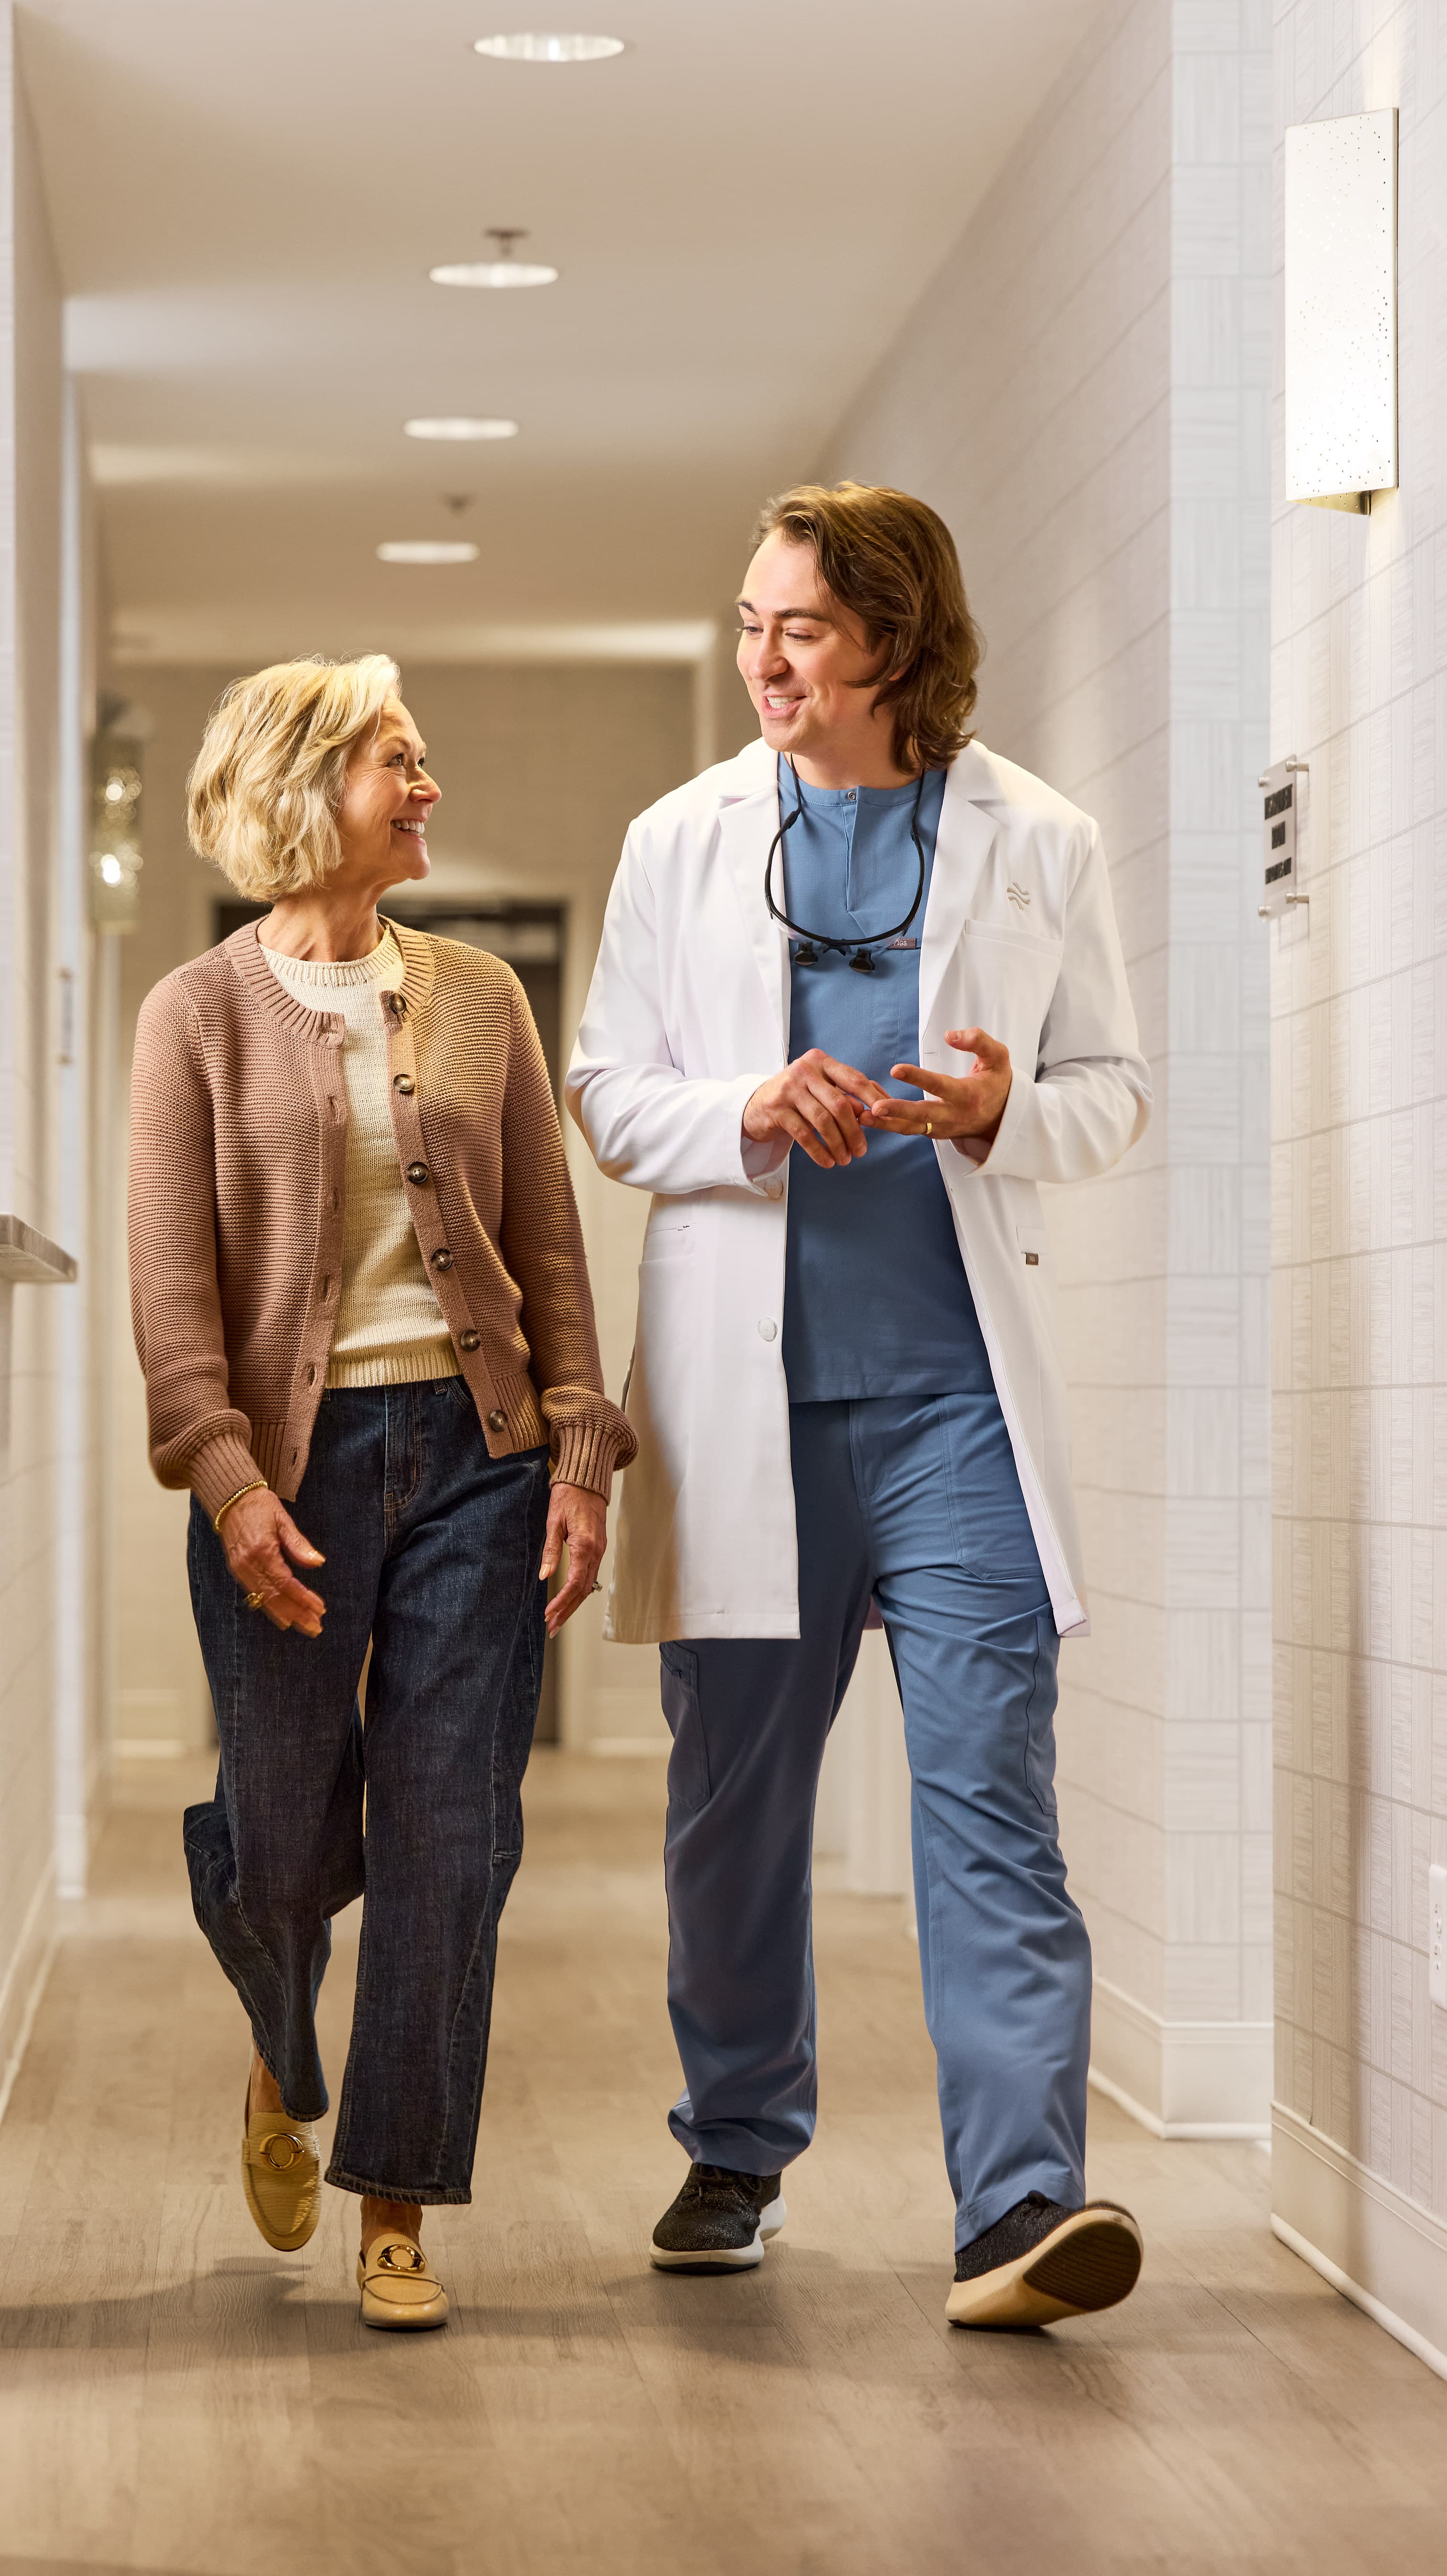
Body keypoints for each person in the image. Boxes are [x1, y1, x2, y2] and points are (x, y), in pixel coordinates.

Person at [568, 485, 1152, 2329]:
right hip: (753, 1401)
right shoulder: (681, 839)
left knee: (991, 1793)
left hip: (957, 1403)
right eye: (751, 625)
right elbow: (606, 1089)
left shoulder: (1038, 839)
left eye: (799, 630)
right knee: (736, 1804)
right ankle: (738, 2143)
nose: (764, 662)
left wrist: (1000, 1112)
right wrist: (746, 1110)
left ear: (894, 638)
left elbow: (1115, 1085)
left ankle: (1021, 2207)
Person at [129, 654, 634, 2332]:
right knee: (277, 1837)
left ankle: (397, 2203)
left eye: (423, 763)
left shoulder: (483, 996)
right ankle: (285, 2048)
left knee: (448, 1833)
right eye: (395, 764)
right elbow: (172, 1284)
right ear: (301, 788)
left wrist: (579, 1451)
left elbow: (549, 1251)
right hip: (293, 1467)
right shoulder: (195, 1015)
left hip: (477, 1459)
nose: (427, 788)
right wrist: (223, 1477)